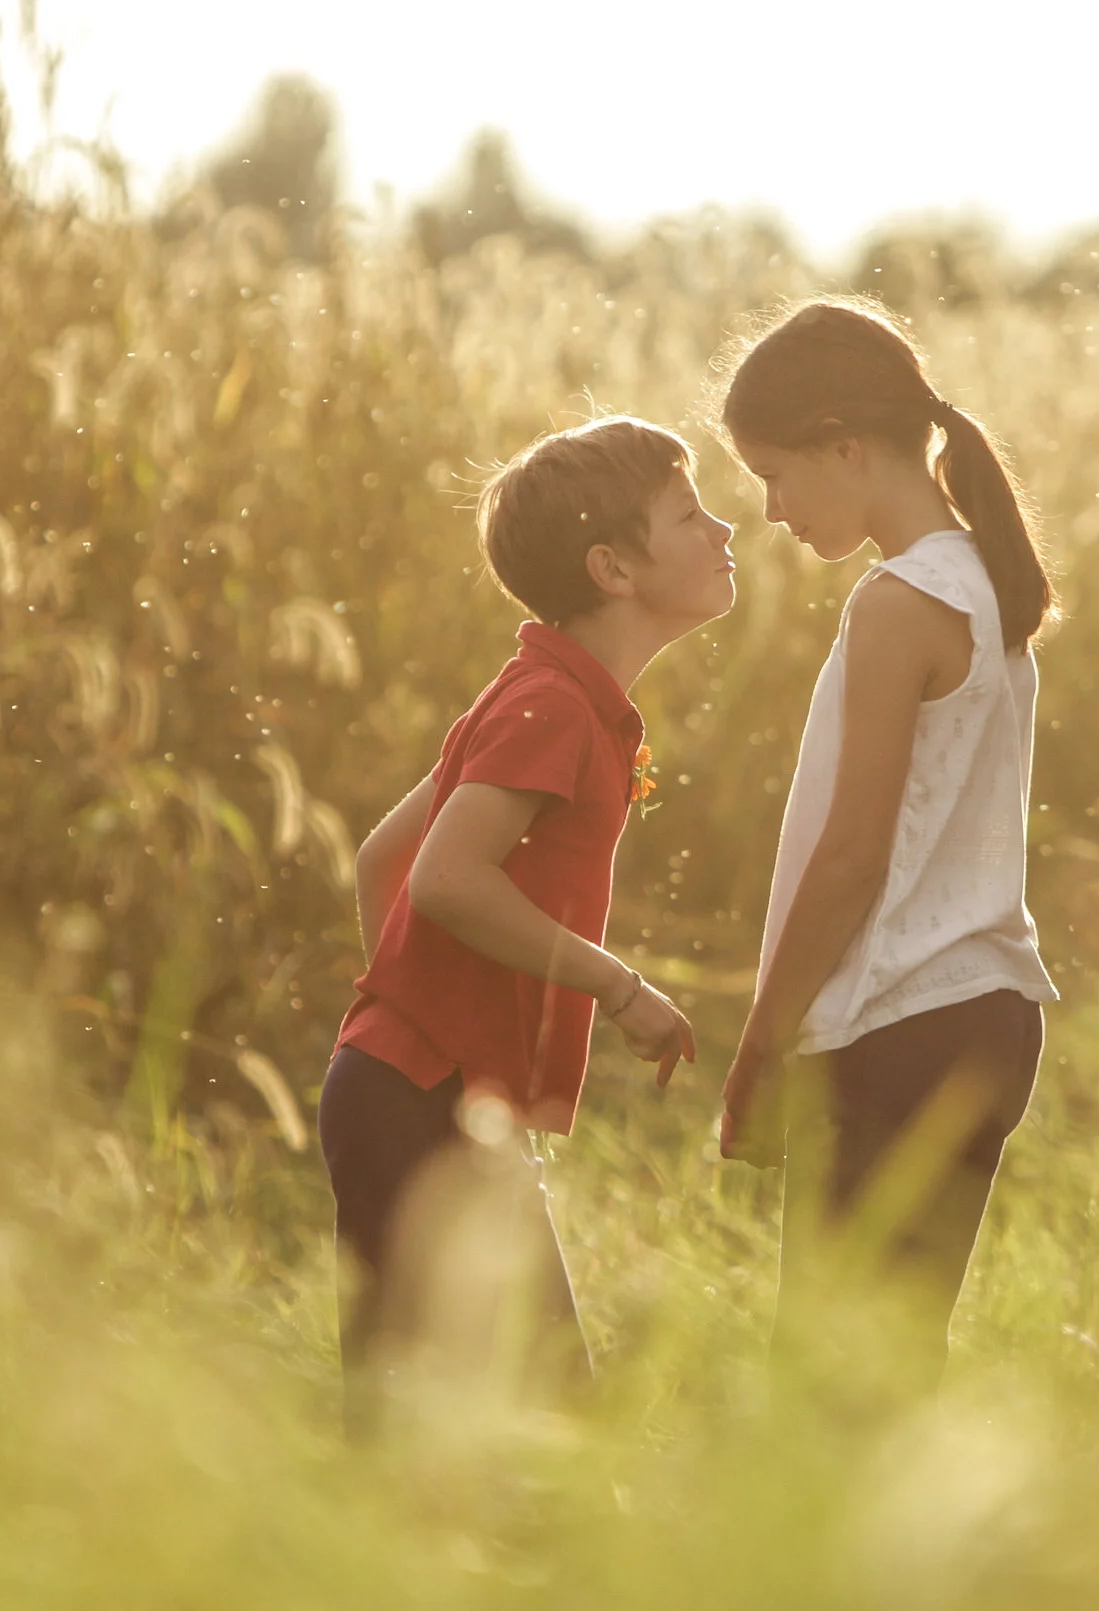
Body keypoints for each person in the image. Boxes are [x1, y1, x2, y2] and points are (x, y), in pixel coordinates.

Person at [319, 415, 735, 1436]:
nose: (726, 527)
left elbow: (385, 858)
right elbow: (446, 878)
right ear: (613, 567)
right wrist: (613, 983)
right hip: (415, 1098)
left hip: (411, 1089)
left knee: (420, 1406)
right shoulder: (551, 705)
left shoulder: (551, 693)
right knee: (532, 1404)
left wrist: (438, 1038)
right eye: (689, 514)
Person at [715, 299, 1060, 1377]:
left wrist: (762, 1037)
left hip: (901, 1023)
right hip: (985, 1018)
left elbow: (856, 853)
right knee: (889, 1365)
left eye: (775, 473)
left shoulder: (897, 602)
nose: (770, 509)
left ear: (845, 447)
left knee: (829, 1386)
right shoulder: (983, 580)